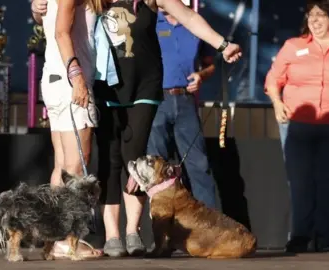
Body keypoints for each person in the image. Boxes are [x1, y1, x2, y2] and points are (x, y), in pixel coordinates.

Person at [93, 0, 241, 257]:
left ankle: (132, 231)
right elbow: (63, 12)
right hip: (108, 83)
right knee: (111, 158)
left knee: (136, 156)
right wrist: (38, 10)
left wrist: (223, 44)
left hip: (145, 84)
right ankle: (112, 235)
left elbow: (189, 17)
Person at [265, 0, 329, 253]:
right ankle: (300, 236)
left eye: (321, 16)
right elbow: (273, 78)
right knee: (300, 183)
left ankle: (327, 238)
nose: (315, 20)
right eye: (311, 16)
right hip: (298, 126)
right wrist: (277, 104)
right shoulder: (293, 46)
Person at [31, 0, 105, 259]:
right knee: (76, 166)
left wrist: (35, 11)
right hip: (68, 82)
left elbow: (46, 20)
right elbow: (61, 31)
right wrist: (77, 78)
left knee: (61, 166)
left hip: (54, 78)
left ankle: (55, 237)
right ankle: (66, 240)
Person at [147, 7, 217, 209]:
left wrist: (201, 76)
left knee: (198, 165)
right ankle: (162, 229)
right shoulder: (150, 22)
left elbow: (210, 64)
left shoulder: (195, 23)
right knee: (156, 166)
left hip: (186, 101)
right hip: (156, 100)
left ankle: (208, 228)